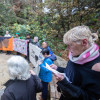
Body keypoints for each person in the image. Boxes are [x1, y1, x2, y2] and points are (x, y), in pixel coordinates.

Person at [50, 25, 100, 100]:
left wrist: (65, 83)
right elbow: (72, 72)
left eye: (70, 45)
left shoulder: (96, 67)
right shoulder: (75, 56)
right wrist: (57, 69)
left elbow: (89, 97)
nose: (67, 49)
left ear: (84, 42)